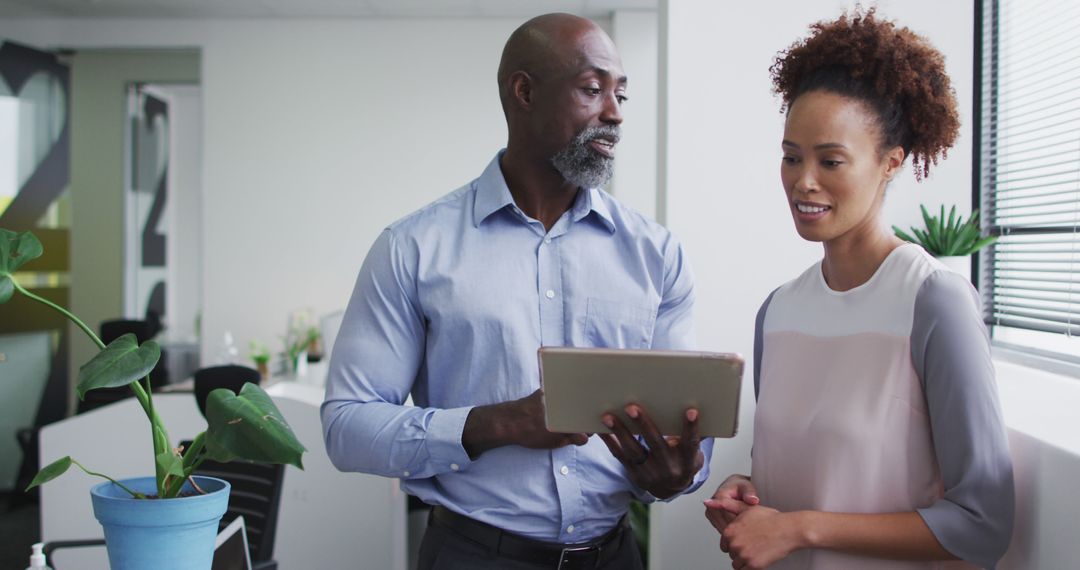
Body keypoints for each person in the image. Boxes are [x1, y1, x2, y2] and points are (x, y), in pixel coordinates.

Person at [322, 13, 711, 570]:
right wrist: (498, 423)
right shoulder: (413, 248)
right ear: (524, 92)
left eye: (621, 94)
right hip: (472, 554)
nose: (615, 113)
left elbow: (685, 421)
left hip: (615, 554)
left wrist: (679, 472)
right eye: (592, 89)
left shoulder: (657, 255)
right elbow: (346, 426)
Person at [703, 9, 1014, 570]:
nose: (804, 181)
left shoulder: (932, 300)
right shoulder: (777, 311)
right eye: (791, 156)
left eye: (831, 160)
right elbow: (819, 478)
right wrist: (749, 492)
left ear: (891, 163)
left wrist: (799, 528)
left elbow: (982, 522)